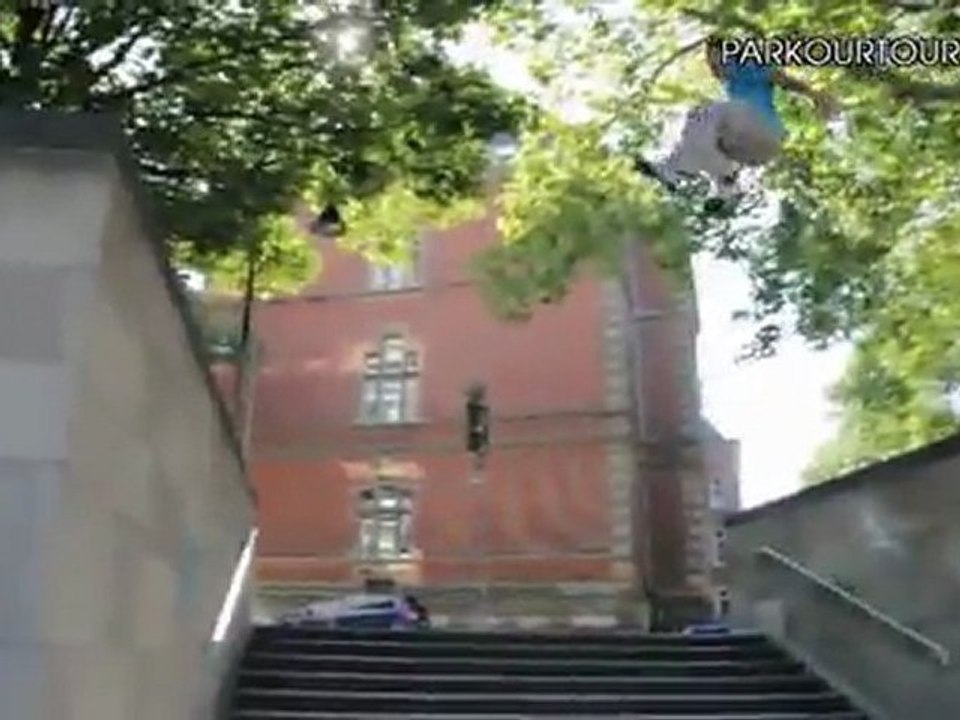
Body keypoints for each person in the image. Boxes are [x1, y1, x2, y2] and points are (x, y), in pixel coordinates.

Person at [637, 35, 839, 208]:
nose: (712, 69)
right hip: (758, 148)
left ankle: (674, 170)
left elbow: (785, 80)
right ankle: (726, 187)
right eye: (709, 63)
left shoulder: (750, 65)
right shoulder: (732, 85)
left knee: (705, 113)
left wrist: (815, 96)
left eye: (714, 61)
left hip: (766, 131)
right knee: (713, 135)